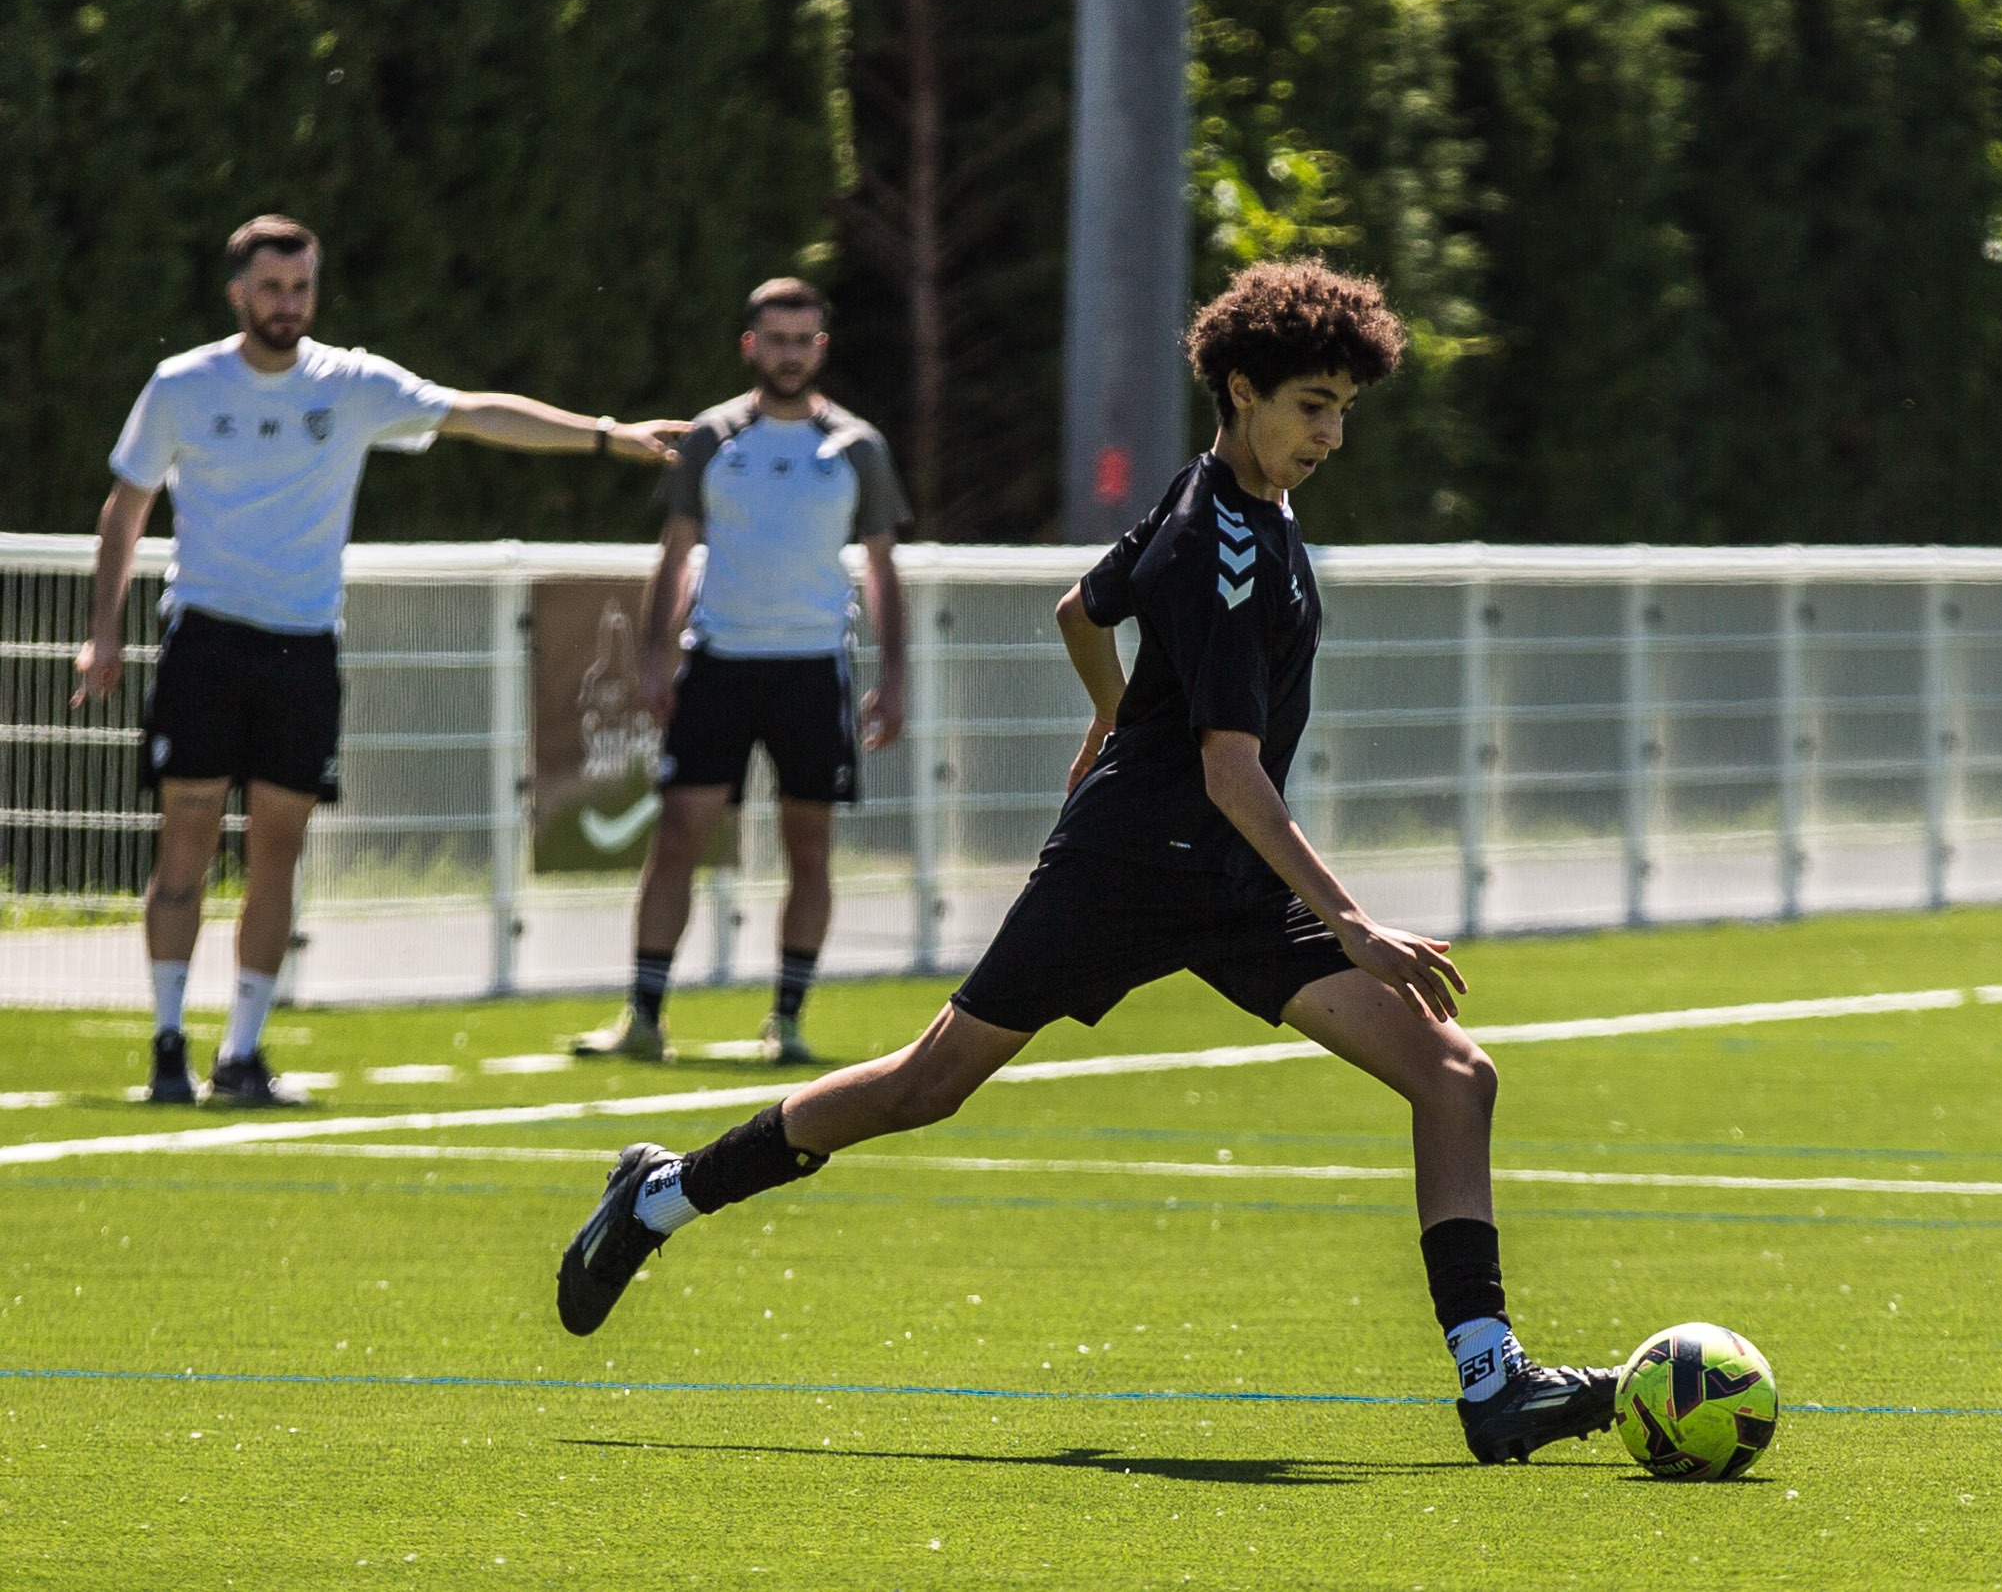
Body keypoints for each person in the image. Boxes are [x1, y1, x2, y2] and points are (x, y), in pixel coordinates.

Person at [553, 259, 1616, 1465]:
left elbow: (1080, 606)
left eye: (1343, 408)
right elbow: (1228, 768)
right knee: (925, 1086)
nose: (1331, 432)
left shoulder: (1237, 499)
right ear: (1240, 387)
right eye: (1312, 404)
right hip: (1127, 866)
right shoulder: (1220, 541)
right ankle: (659, 1194)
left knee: (1454, 1075)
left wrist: (1109, 718)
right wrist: (1353, 921)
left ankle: (1491, 1380)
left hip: (1227, 877)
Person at [77, 215, 688, 1108]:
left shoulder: (352, 382)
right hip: (204, 641)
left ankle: (241, 1054)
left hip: (303, 649)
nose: (288, 303)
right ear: (237, 293)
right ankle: (169, 1050)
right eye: (271, 287)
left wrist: (608, 433)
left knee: (278, 851)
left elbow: (473, 413)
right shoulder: (183, 384)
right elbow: (125, 506)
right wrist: (103, 630)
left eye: (302, 287)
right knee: (187, 844)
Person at [572, 278, 910, 1067]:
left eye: (804, 340)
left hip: (813, 670)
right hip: (719, 665)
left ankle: (786, 1018)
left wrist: (893, 677)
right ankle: (643, 1017)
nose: (790, 354)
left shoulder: (856, 445)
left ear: (820, 348)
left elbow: (883, 569)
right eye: (776, 339)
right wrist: (655, 656)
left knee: (809, 846)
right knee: (677, 836)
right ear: (750, 346)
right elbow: (674, 553)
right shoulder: (712, 437)